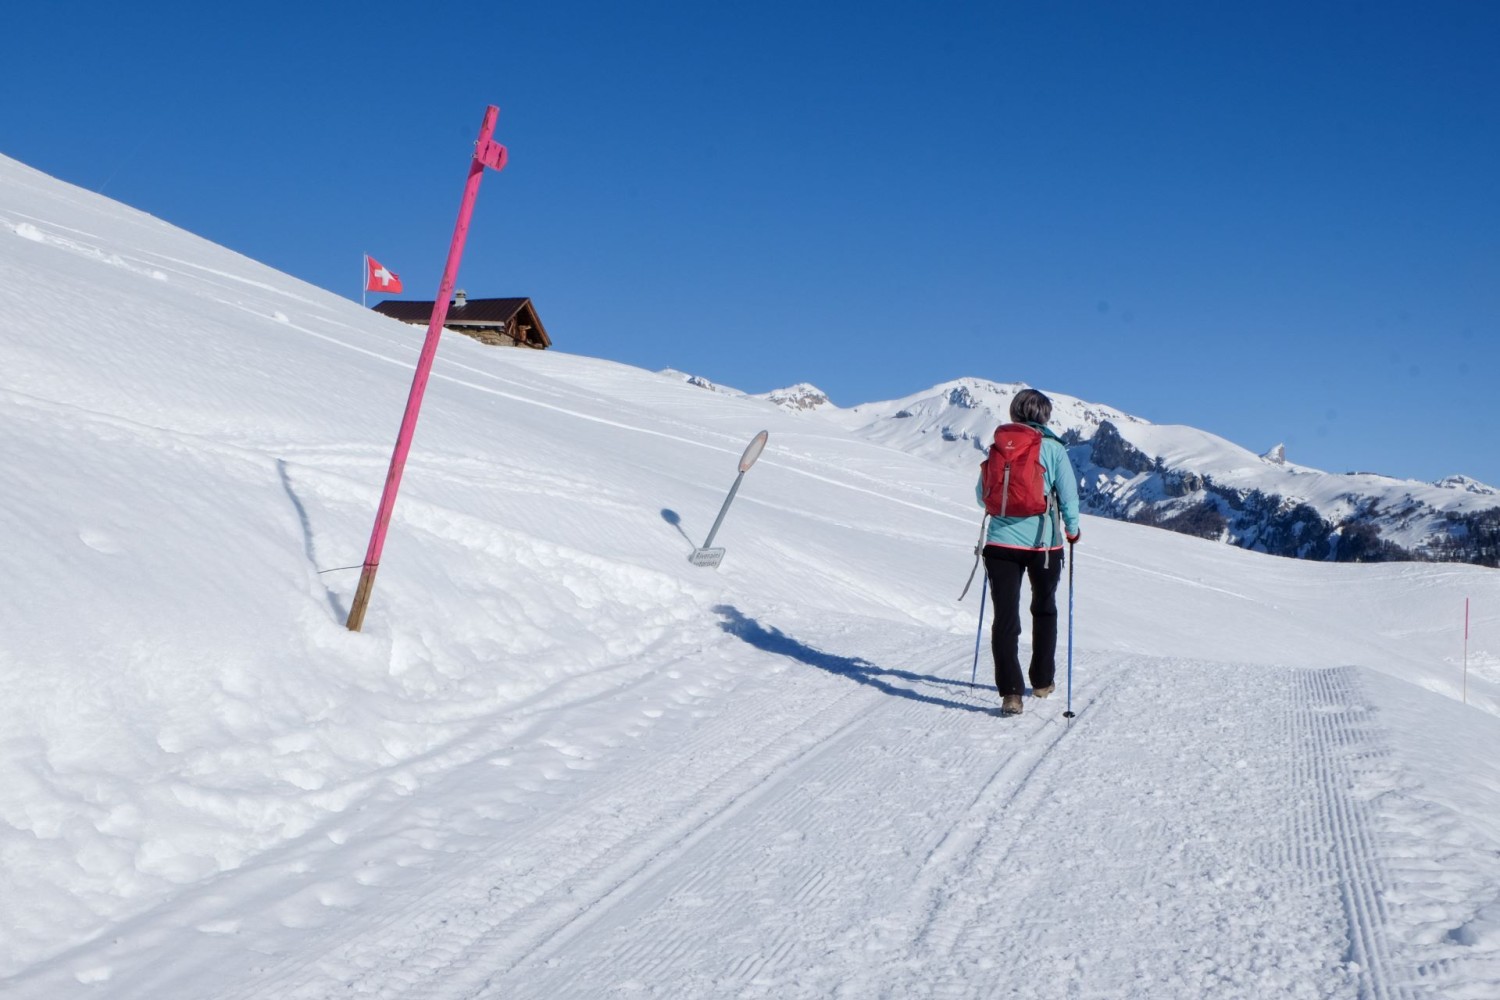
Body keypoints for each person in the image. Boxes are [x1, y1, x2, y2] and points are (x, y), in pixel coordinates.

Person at [977, 388, 1081, 717]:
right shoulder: (1052, 449)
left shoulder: (998, 446)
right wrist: (1072, 530)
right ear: (1045, 415)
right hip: (1043, 545)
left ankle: (1010, 693)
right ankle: (1041, 681)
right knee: (1044, 610)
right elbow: (1068, 496)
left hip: (999, 544)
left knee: (1005, 618)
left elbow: (982, 496)